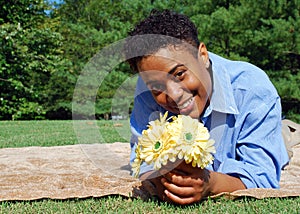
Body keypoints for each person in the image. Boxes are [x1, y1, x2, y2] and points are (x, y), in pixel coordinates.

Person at [123, 9, 289, 205]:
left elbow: (263, 178)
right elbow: (142, 160)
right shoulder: (147, 86)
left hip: (260, 128)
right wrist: (160, 178)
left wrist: (210, 184)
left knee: (282, 142)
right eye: (157, 87)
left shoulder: (254, 90)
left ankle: (288, 130)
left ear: (202, 55)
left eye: (179, 74)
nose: (174, 95)